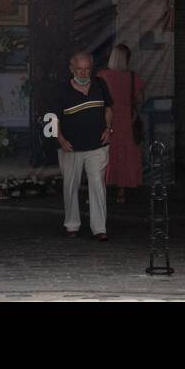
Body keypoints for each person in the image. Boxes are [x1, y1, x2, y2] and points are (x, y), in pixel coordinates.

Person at [57, 51, 113, 241]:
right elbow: (53, 119)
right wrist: (61, 140)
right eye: (79, 69)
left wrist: (108, 128)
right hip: (71, 147)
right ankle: (72, 224)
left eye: (87, 69)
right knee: (70, 186)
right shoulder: (62, 90)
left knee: (97, 185)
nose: (83, 73)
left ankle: (100, 228)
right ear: (71, 69)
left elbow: (108, 108)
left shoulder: (100, 85)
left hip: (97, 146)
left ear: (92, 69)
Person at [97, 44, 145, 204]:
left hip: (107, 119)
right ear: (127, 59)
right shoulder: (132, 77)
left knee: (103, 155)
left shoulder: (102, 75)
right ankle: (121, 193)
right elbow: (140, 99)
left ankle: (99, 190)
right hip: (127, 121)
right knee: (125, 156)